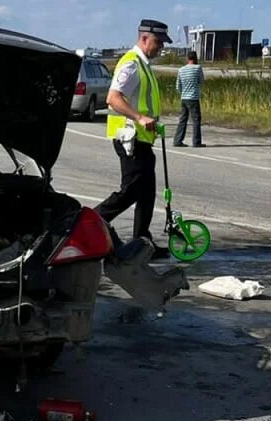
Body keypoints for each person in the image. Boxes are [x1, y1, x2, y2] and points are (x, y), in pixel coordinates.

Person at [95, 19, 171, 259]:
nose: (161, 47)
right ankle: (90, 222)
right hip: (129, 138)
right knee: (131, 191)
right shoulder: (131, 64)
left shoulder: (144, 65)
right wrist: (139, 117)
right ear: (144, 38)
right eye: (158, 42)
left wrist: (151, 122)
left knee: (147, 192)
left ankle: (143, 244)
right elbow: (113, 98)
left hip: (142, 139)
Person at [174, 50, 204, 147]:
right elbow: (201, 81)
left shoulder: (181, 69)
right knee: (196, 119)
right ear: (195, 58)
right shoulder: (197, 68)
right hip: (193, 97)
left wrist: (183, 92)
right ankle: (196, 141)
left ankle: (178, 140)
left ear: (187, 58)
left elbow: (178, 86)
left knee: (183, 119)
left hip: (184, 97)